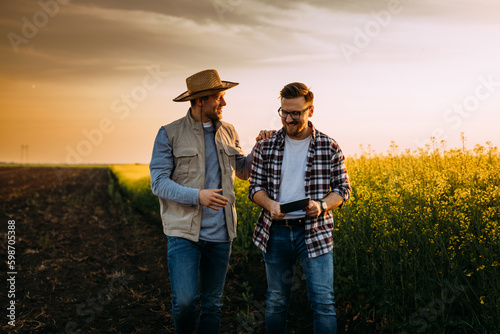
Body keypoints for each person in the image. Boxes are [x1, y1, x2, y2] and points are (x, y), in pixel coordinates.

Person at [149, 69, 272, 333]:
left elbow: (242, 171)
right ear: (201, 100)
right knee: (184, 303)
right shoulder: (169, 133)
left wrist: (259, 147)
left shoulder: (229, 131)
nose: (224, 103)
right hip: (183, 234)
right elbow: (158, 182)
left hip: (220, 234)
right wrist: (197, 196)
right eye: (219, 97)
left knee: (212, 304)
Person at [248, 82, 351, 333]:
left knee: (323, 304)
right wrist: (270, 204)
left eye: (296, 113)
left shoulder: (329, 146)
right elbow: (254, 188)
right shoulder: (266, 145)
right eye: (284, 112)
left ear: (310, 111)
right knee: (276, 302)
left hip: (314, 232)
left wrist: (322, 205)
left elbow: (343, 189)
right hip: (276, 232)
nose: (289, 119)